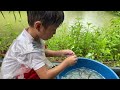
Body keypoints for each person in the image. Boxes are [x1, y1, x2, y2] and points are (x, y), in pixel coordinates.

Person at [1, 11, 77, 79]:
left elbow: (39, 51)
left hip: (20, 69)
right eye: (53, 29)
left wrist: (60, 53)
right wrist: (66, 63)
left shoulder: (30, 33)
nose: (54, 33)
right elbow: (45, 76)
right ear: (38, 26)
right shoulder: (29, 49)